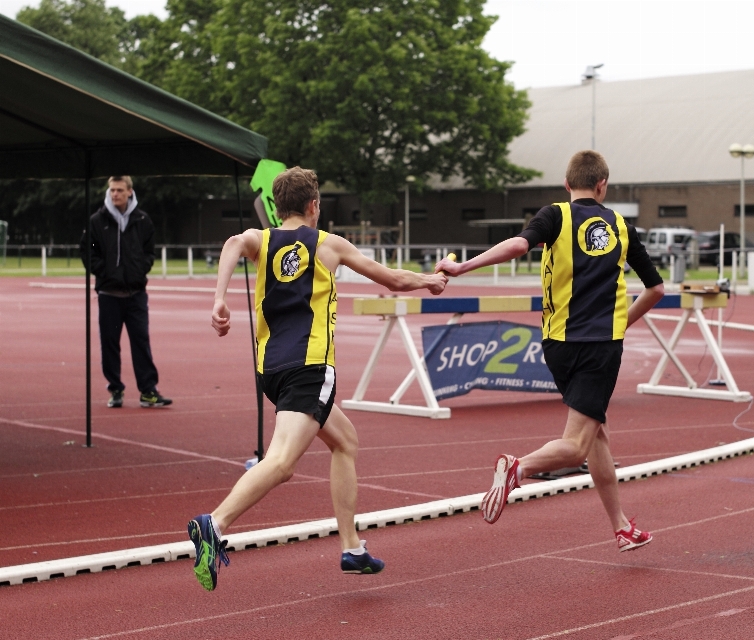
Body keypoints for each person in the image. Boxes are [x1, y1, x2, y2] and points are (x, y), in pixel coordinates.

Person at [188, 167, 447, 591]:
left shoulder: (263, 240)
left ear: (278, 206)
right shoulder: (329, 245)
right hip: (310, 368)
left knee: (345, 441)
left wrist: (219, 299)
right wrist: (430, 281)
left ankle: (353, 548)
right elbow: (394, 280)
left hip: (271, 369)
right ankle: (213, 524)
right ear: (314, 207)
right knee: (282, 463)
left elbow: (234, 242)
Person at [435, 150, 665, 552]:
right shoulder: (622, 226)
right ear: (602, 186)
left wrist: (463, 267)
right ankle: (518, 467)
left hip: (556, 345)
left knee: (596, 437)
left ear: (566, 184)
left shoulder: (554, 215)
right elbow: (656, 289)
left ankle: (621, 526)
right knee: (576, 444)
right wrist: (622, 322)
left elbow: (516, 246)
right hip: (599, 348)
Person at [80, 176, 171, 409]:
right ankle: (116, 389)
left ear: (130, 191)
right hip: (109, 294)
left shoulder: (143, 220)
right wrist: (105, 271)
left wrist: (140, 269)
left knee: (141, 342)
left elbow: (149, 251)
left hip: (136, 294)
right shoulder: (96, 221)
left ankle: (148, 391)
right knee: (109, 343)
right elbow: (88, 251)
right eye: (112, 190)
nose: (115, 194)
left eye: (119, 190)